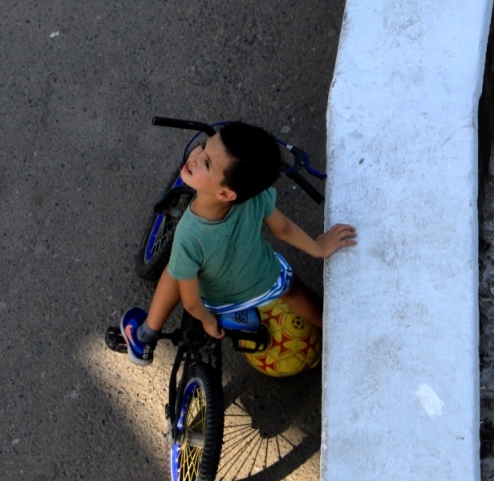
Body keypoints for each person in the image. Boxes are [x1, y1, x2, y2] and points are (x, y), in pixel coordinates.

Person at [122, 122, 357, 365]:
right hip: (266, 283)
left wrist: (208, 321)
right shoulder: (255, 196)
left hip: (218, 304)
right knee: (294, 289)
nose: (194, 156)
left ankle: (145, 335)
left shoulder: (188, 235)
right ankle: (340, 333)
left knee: (174, 269)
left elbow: (191, 302)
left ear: (225, 194)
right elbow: (283, 228)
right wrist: (320, 248)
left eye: (206, 163)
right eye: (203, 147)